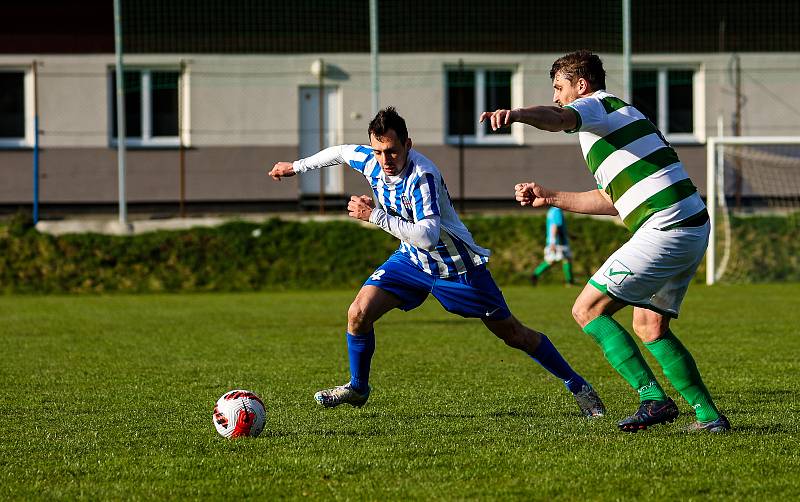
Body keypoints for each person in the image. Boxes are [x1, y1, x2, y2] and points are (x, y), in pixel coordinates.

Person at [269, 106, 604, 418]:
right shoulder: (371, 159)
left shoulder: (422, 176)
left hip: (457, 269)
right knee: (358, 313)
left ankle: (578, 384)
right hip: (411, 263)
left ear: (408, 144)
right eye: (378, 151)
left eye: (393, 151)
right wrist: (294, 167)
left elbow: (428, 235)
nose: (385, 159)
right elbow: (341, 152)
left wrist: (373, 216)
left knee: (514, 334)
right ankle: (358, 388)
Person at [480, 50, 730, 433]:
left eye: (559, 88)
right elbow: (614, 201)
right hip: (690, 224)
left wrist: (516, 114)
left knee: (588, 309)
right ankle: (709, 417)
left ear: (581, 85)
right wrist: (550, 197)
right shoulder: (620, 119)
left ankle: (653, 399)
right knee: (649, 326)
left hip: (666, 225)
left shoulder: (594, 106)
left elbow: (559, 117)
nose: (557, 97)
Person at [531, 206, 574, 286]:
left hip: (554, 241)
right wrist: (553, 242)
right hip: (559, 242)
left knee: (551, 261)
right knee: (566, 260)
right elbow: (554, 226)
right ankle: (569, 282)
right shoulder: (557, 211)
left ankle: (535, 274)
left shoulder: (551, 211)